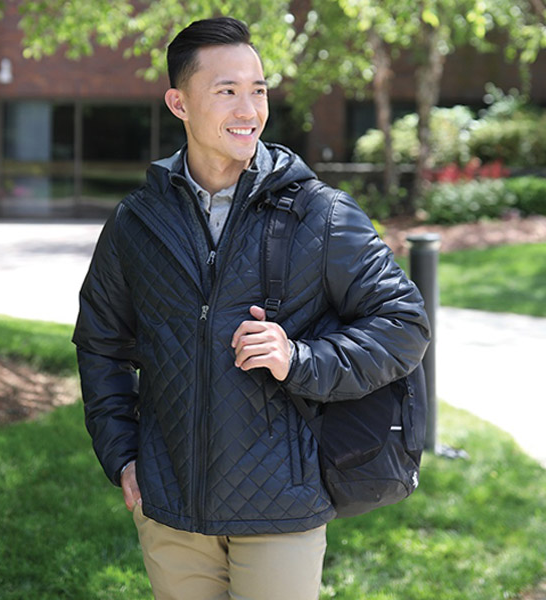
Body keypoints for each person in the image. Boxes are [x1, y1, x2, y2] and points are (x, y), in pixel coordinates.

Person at [73, 16, 430, 600]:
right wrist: (122, 454)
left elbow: (404, 324)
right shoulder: (136, 222)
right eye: (227, 91)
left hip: (282, 506)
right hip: (170, 507)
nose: (249, 109)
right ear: (178, 103)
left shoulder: (321, 214)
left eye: (258, 90)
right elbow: (101, 344)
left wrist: (302, 358)